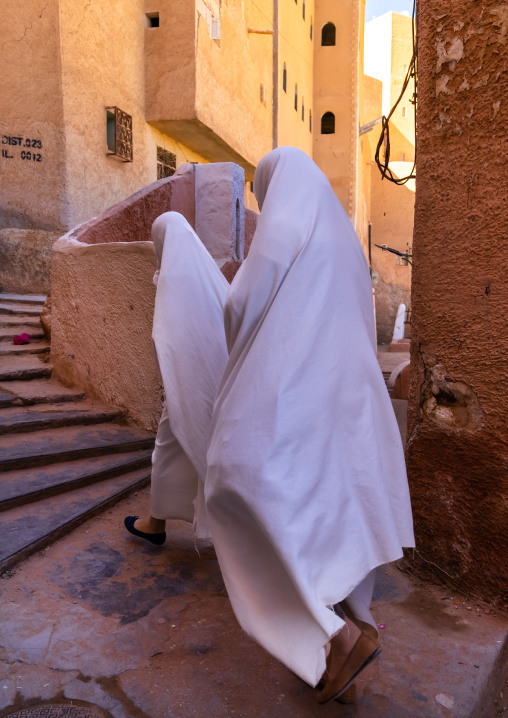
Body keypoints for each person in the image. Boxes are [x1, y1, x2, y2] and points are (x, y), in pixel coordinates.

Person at [125, 147, 415, 704]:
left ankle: (331, 641)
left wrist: (233, 349)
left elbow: (242, 305)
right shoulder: (341, 238)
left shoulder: (285, 217)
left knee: (240, 492)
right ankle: (355, 626)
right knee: (337, 505)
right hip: (354, 397)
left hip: (298, 389)